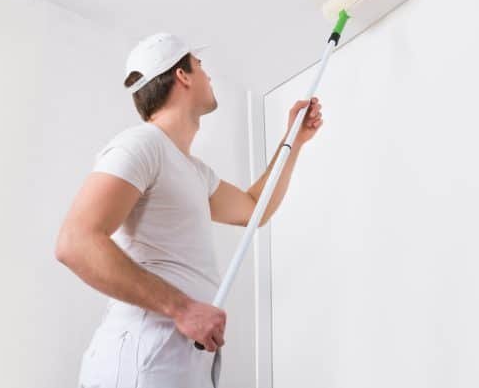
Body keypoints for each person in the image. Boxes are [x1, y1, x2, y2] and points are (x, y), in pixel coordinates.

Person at [55, 32, 324, 388]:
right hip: (142, 361)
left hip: (180, 362)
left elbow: (254, 208)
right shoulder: (141, 144)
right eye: (199, 66)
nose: (208, 76)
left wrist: (293, 140)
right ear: (182, 75)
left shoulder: (193, 171)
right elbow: (75, 242)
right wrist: (182, 308)